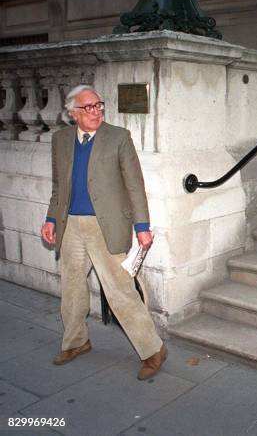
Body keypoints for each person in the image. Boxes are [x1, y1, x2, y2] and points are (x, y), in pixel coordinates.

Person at [40, 85, 167, 380]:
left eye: (99, 105)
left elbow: (134, 184)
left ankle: (153, 350)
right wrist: (50, 219)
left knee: (120, 290)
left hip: (105, 225)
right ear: (73, 113)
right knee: (71, 287)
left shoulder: (118, 137)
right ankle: (76, 342)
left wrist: (142, 227)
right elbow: (59, 186)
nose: (96, 111)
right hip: (70, 225)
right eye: (89, 107)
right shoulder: (60, 140)